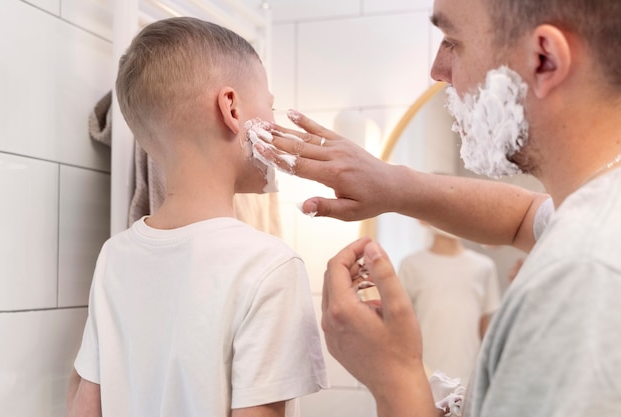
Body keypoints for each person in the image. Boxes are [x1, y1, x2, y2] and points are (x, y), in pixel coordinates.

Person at [255, 0, 621, 415]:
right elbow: (524, 218)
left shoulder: (584, 275)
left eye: (452, 41)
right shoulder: (597, 211)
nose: (437, 69)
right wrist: (396, 185)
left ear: (544, 60)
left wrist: (393, 378)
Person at [66, 17, 327, 417]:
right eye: (270, 107)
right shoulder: (270, 267)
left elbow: (85, 408)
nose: (274, 125)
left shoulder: (115, 256)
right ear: (232, 108)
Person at [398, 223, 500, 386]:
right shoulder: (411, 266)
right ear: (421, 219)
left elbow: (485, 330)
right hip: (424, 377)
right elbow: (401, 328)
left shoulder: (484, 267)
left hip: (469, 379)